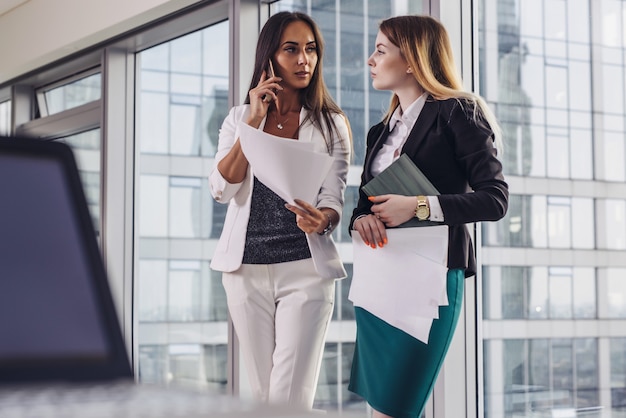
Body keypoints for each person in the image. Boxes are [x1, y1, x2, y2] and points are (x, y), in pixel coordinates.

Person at [348, 15, 508, 418]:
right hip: (380, 277)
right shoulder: (380, 131)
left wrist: (418, 206)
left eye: (381, 50)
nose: (370, 59)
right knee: (377, 408)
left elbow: (495, 199)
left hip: (430, 280)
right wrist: (359, 219)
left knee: (398, 408)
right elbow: (365, 202)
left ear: (411, 61)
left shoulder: (458, 112)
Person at [208, 11, 351, 410]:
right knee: (262, 396)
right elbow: (221, 189)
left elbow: (333, 198)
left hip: (305, 270)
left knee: (290, 396)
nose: (304, 59)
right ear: (269, 57)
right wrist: (252, 123)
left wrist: (323, 219)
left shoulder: (331, 124)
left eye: (311, 50)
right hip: (245, 272)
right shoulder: (238, 118)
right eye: (291, 50)